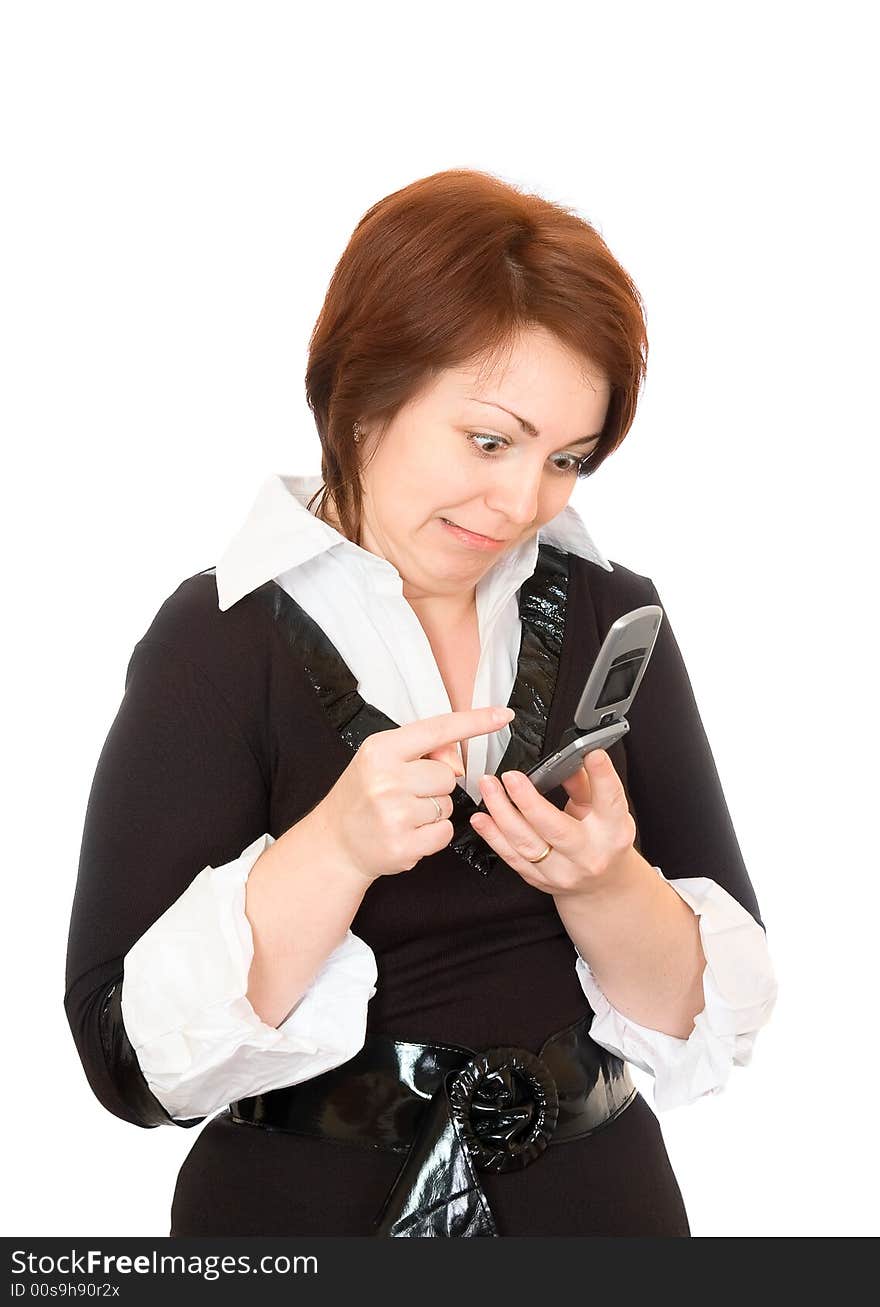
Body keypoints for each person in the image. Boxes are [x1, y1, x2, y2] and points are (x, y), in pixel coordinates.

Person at [64, 168, 778, 1237]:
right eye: (490, 439)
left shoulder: (610, 614)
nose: (522, 499)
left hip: (600, 1214)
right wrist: (336, 847)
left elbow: (709, 1019)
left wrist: (604, 878)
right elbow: (126, 1063)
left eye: (565, 458)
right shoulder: (219, 638)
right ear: (364, 394)